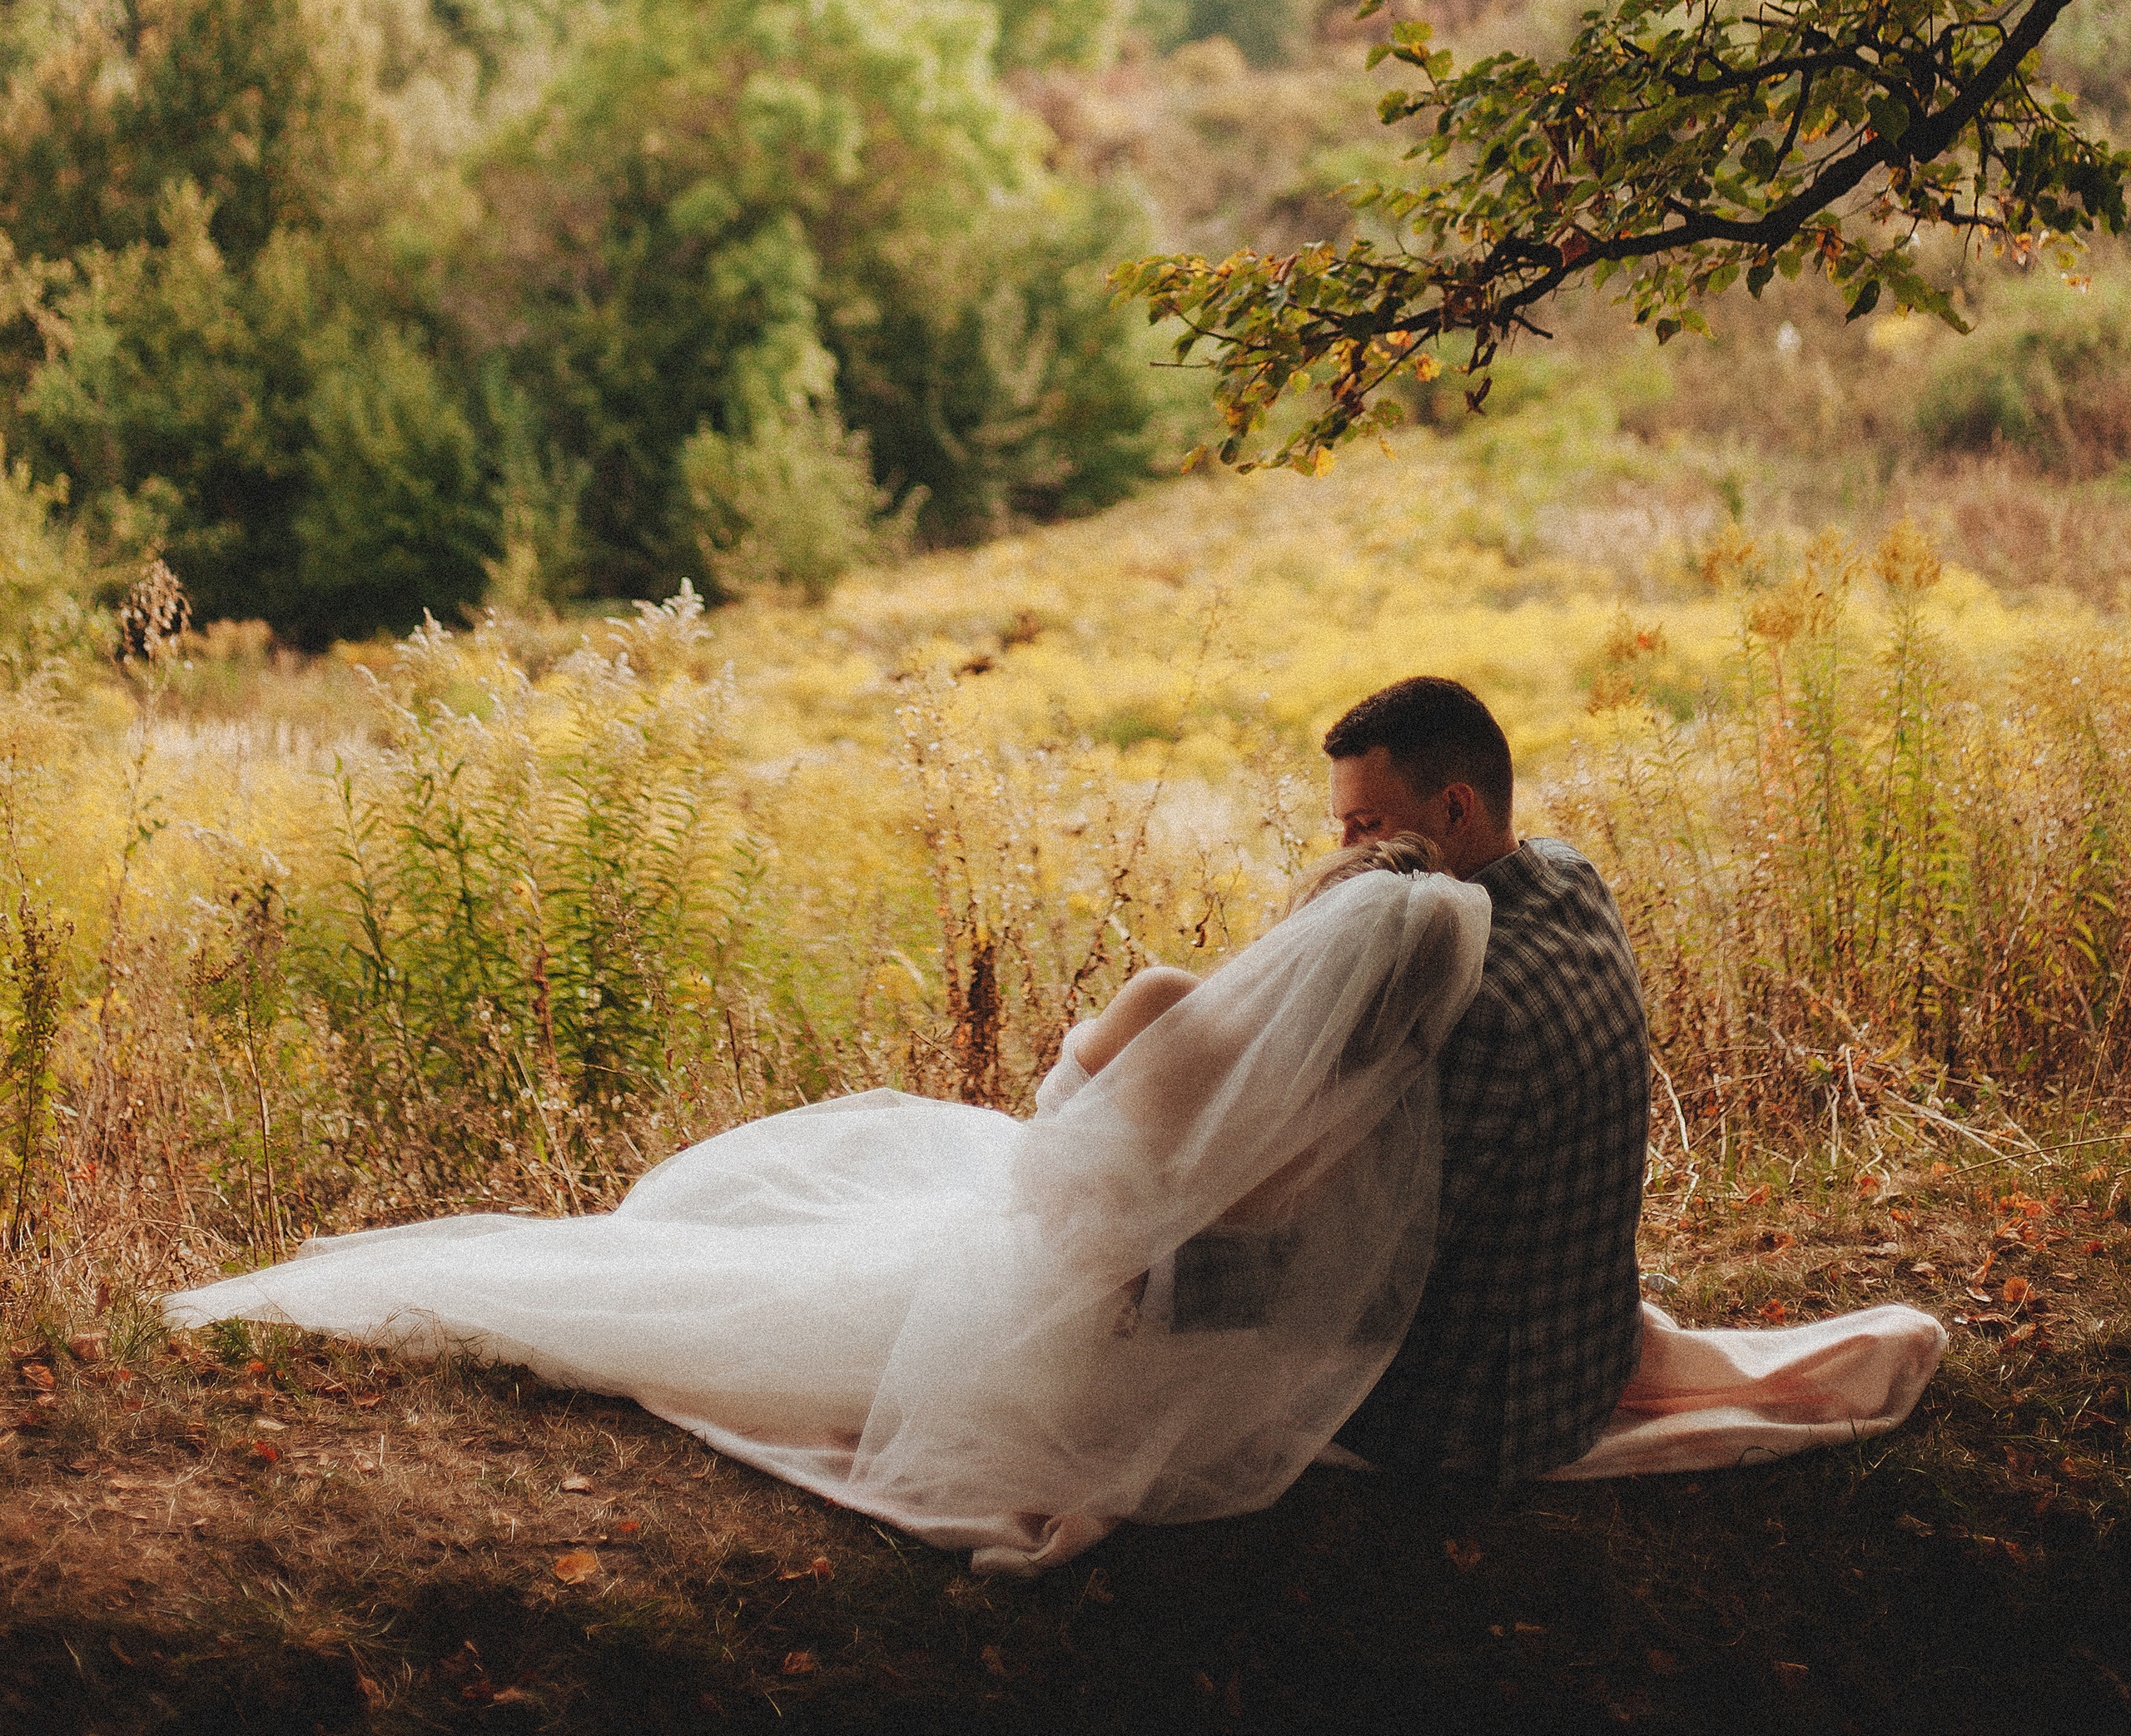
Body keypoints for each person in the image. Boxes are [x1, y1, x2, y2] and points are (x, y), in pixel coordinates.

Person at [164, 846, 1493, 1575]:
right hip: (1140, 1385)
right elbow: (1254, 1285)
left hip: (1033, 1304)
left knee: (745, 1263)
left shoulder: (1166, 1003)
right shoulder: (1365, 1126)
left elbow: (1048, 1162)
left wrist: (1103, 1207)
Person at [1319, 674, 1651, 1490]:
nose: (1345, 853)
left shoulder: (1471, 1001)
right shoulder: (1568, 873)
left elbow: (1381, 1262)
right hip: (1591, 1355)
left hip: (1475, 1416)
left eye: (1366, 825)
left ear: (1455, 810)